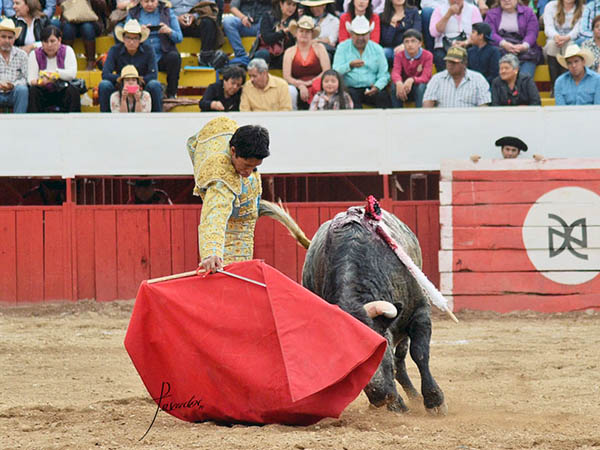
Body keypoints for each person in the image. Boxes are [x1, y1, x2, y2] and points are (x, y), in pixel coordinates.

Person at [186, 116, 270, 273]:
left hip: (243, 224)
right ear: (233, 151)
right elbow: (214, 216)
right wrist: (212, 252)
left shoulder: (226, 128)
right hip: (231, 236)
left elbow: (193, 142)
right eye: (246, 165)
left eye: (254, 167)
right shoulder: (222, 180)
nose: (248, 172)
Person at [99, 19, 163, 112]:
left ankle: (156, 119)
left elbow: (153, 75)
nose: (131, 42)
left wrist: (136, 81)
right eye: (128, 38)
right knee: (104, 85)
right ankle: (106, 119)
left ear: (140, 39)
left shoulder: (148, 50)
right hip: (120, 85)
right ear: (123, 38)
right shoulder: (114, 50)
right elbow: (105, 74)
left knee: (155, 85)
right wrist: (124, 80)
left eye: (135, 38)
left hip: (142, 85)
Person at [332, 15, 391, 108]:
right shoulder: (342, 47)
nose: (360, 38)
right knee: (350, 97)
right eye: (357, 35)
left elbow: (384, 74)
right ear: (351, 34)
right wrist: (349, 65)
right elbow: (335, 71)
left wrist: (377, 87)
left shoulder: (377, 49)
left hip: (372, 87)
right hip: (350, 88)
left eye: (363, 35)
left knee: (383, 97)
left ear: (369, 34)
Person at [128, 0, 182, 99]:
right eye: (146, 1)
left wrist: (169, 31)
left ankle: (171, 94)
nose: (149, 4)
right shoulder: (133, 13)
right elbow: (126, 36)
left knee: (174, 57)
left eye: (153, 1)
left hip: (162, 55)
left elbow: (179, 37)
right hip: (142, 56)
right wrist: (138, 32)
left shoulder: (167, 12)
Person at [27, 25, 80, 112]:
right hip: (43, 91)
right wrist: (40, 82)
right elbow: (31, 79)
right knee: (33, 91)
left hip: (62, 90)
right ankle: (34, 123)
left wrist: (54, 74)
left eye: (52, 41)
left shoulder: (68, 50)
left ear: (59, 40)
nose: (49, 45)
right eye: (45, 41)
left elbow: (72, 74)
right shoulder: (34, 54)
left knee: (72, 90)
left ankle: (74, 122)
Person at [484, 0, 542, 78]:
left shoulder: (528, 12)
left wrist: (524, 46)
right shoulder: (491, 14)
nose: (506, 0)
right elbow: (490, 33)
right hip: (500, 50)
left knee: (525, 78)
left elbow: (532, 32)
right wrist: (503, 44)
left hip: (525, 51)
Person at [283, 15, 330, 109]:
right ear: (296, 33)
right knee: (289, 90)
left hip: (317, 84)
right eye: (301, 31)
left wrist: (311, 82)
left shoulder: (320, 48)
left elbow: (326, 70)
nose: (304, 34)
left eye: (307, 31)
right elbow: (287, 76)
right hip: (296, 85)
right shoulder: (289, 51)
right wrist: (300, 85)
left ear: (312, 34)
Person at [423, 45, 490, 107]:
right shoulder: (437, 79)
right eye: (448, 61)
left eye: (454, 62)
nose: (450, 65)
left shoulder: (478, 79)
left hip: (469, 119)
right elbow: (427, 104)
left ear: (464, 63)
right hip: (443, 118)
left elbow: (483, 107)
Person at [429, 0, 482, 72]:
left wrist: (466, 42)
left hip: (468, 44)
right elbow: (434, 33)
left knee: (474, 54)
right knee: (440, 56)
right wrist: (448, 14)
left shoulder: (473, 9)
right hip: (444, 46)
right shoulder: (439, 9)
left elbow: (479, 33)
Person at [170, 0, 226, 68]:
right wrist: (176, 19)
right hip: (172, 22)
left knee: (208, 22)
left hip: (196, 22)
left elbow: (210, 6)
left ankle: (205, 57)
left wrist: (194, 16)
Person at [543, 0, 584, 88]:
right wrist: (556, 36)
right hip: (554, 40)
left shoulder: (583, 9)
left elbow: (578, 29)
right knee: (551, 45)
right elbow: (548, 27)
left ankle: (566, 85)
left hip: (572, 40)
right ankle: (554, 86)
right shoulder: (550, 6)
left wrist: (567, 38)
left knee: (570, 46)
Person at [391, 28, 432, 108]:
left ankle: (420, 114)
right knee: (394, 86)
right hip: (404, 88)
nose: (410, 44)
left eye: (413, 41)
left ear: (420, 43)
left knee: (422, 86)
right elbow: (395, 72)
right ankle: (396, 114)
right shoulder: (399, 55)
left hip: (418, 87)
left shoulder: (428, 55)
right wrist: (399, 82)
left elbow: (426, 76)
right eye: (407, 41)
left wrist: (412, 79)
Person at [222, 0, 272, 66]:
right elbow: (233, 7)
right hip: (244, 23)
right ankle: (241, 55)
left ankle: (255, 55)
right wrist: (243, 18)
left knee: (267, 23)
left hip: (261, 25)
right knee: (227, 21)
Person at [252, 0, 298, 69]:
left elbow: (291, 46)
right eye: (289, 4)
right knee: (262, 54)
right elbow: (267, 39)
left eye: (294, 5)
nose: (291, 8)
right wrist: (283, 32)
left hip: (282, 56)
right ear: (281, 4)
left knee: (290, 56)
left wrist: (294, 36)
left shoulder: (295, 22)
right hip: (267, 51)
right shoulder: (268, 16)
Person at [60, 0, 104, 70]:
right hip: (71, 20)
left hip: (92, 22)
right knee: (68, 28)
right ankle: (66, 60)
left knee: (87, 27)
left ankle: (91, 61)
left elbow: (103, 6)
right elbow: (60, 3)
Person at [379, 0, 420, 67]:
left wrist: (404, 45)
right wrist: (393, 25)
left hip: (409, 47)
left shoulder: (413, 11)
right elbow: (386, 41)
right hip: (392, 49)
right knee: (384, 52)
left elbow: (417, 32)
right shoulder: (383, 16)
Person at [0, 17, 28, 113]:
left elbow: (25, 78)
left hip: (14, 92)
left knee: (23, 90)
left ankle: (19, 126)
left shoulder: (22, 55)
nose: (7, 41)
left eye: (10, 37)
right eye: (3, 37)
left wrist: (13, 85)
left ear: (14, 39)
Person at [467, 22, 500, 86]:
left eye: (473, 32)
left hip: (487, 85)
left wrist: (481, 83)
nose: (471, 35)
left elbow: (494, 74)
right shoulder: (470, 51)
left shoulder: (493, 51)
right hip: (471, 85)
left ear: (481, 36)